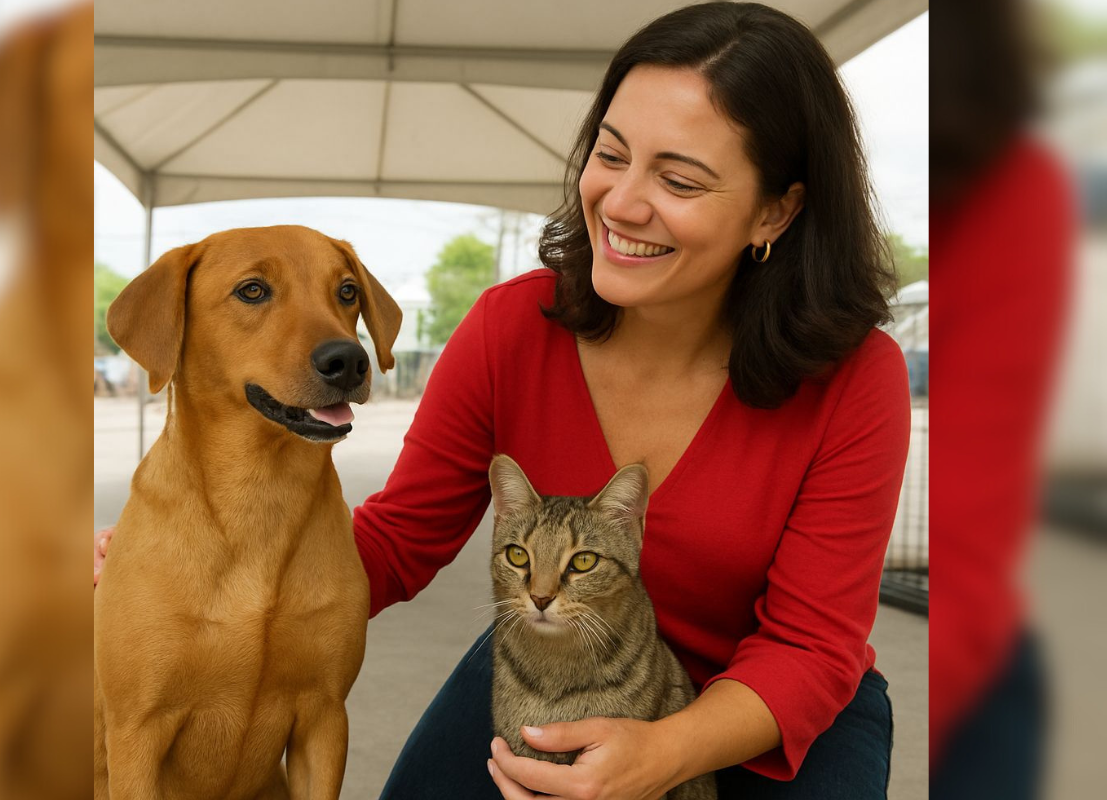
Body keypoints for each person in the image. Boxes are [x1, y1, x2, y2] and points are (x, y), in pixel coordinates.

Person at [95, 4, 910, 798]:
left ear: (776, 209)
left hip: (764, 712)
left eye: (679, 179)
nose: (622, 203)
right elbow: (399, 539)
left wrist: (659, 753)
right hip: (546, 662)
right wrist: (166, 581)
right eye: (611, 153)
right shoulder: (512, 327)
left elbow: (812, 644)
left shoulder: (853, 377)